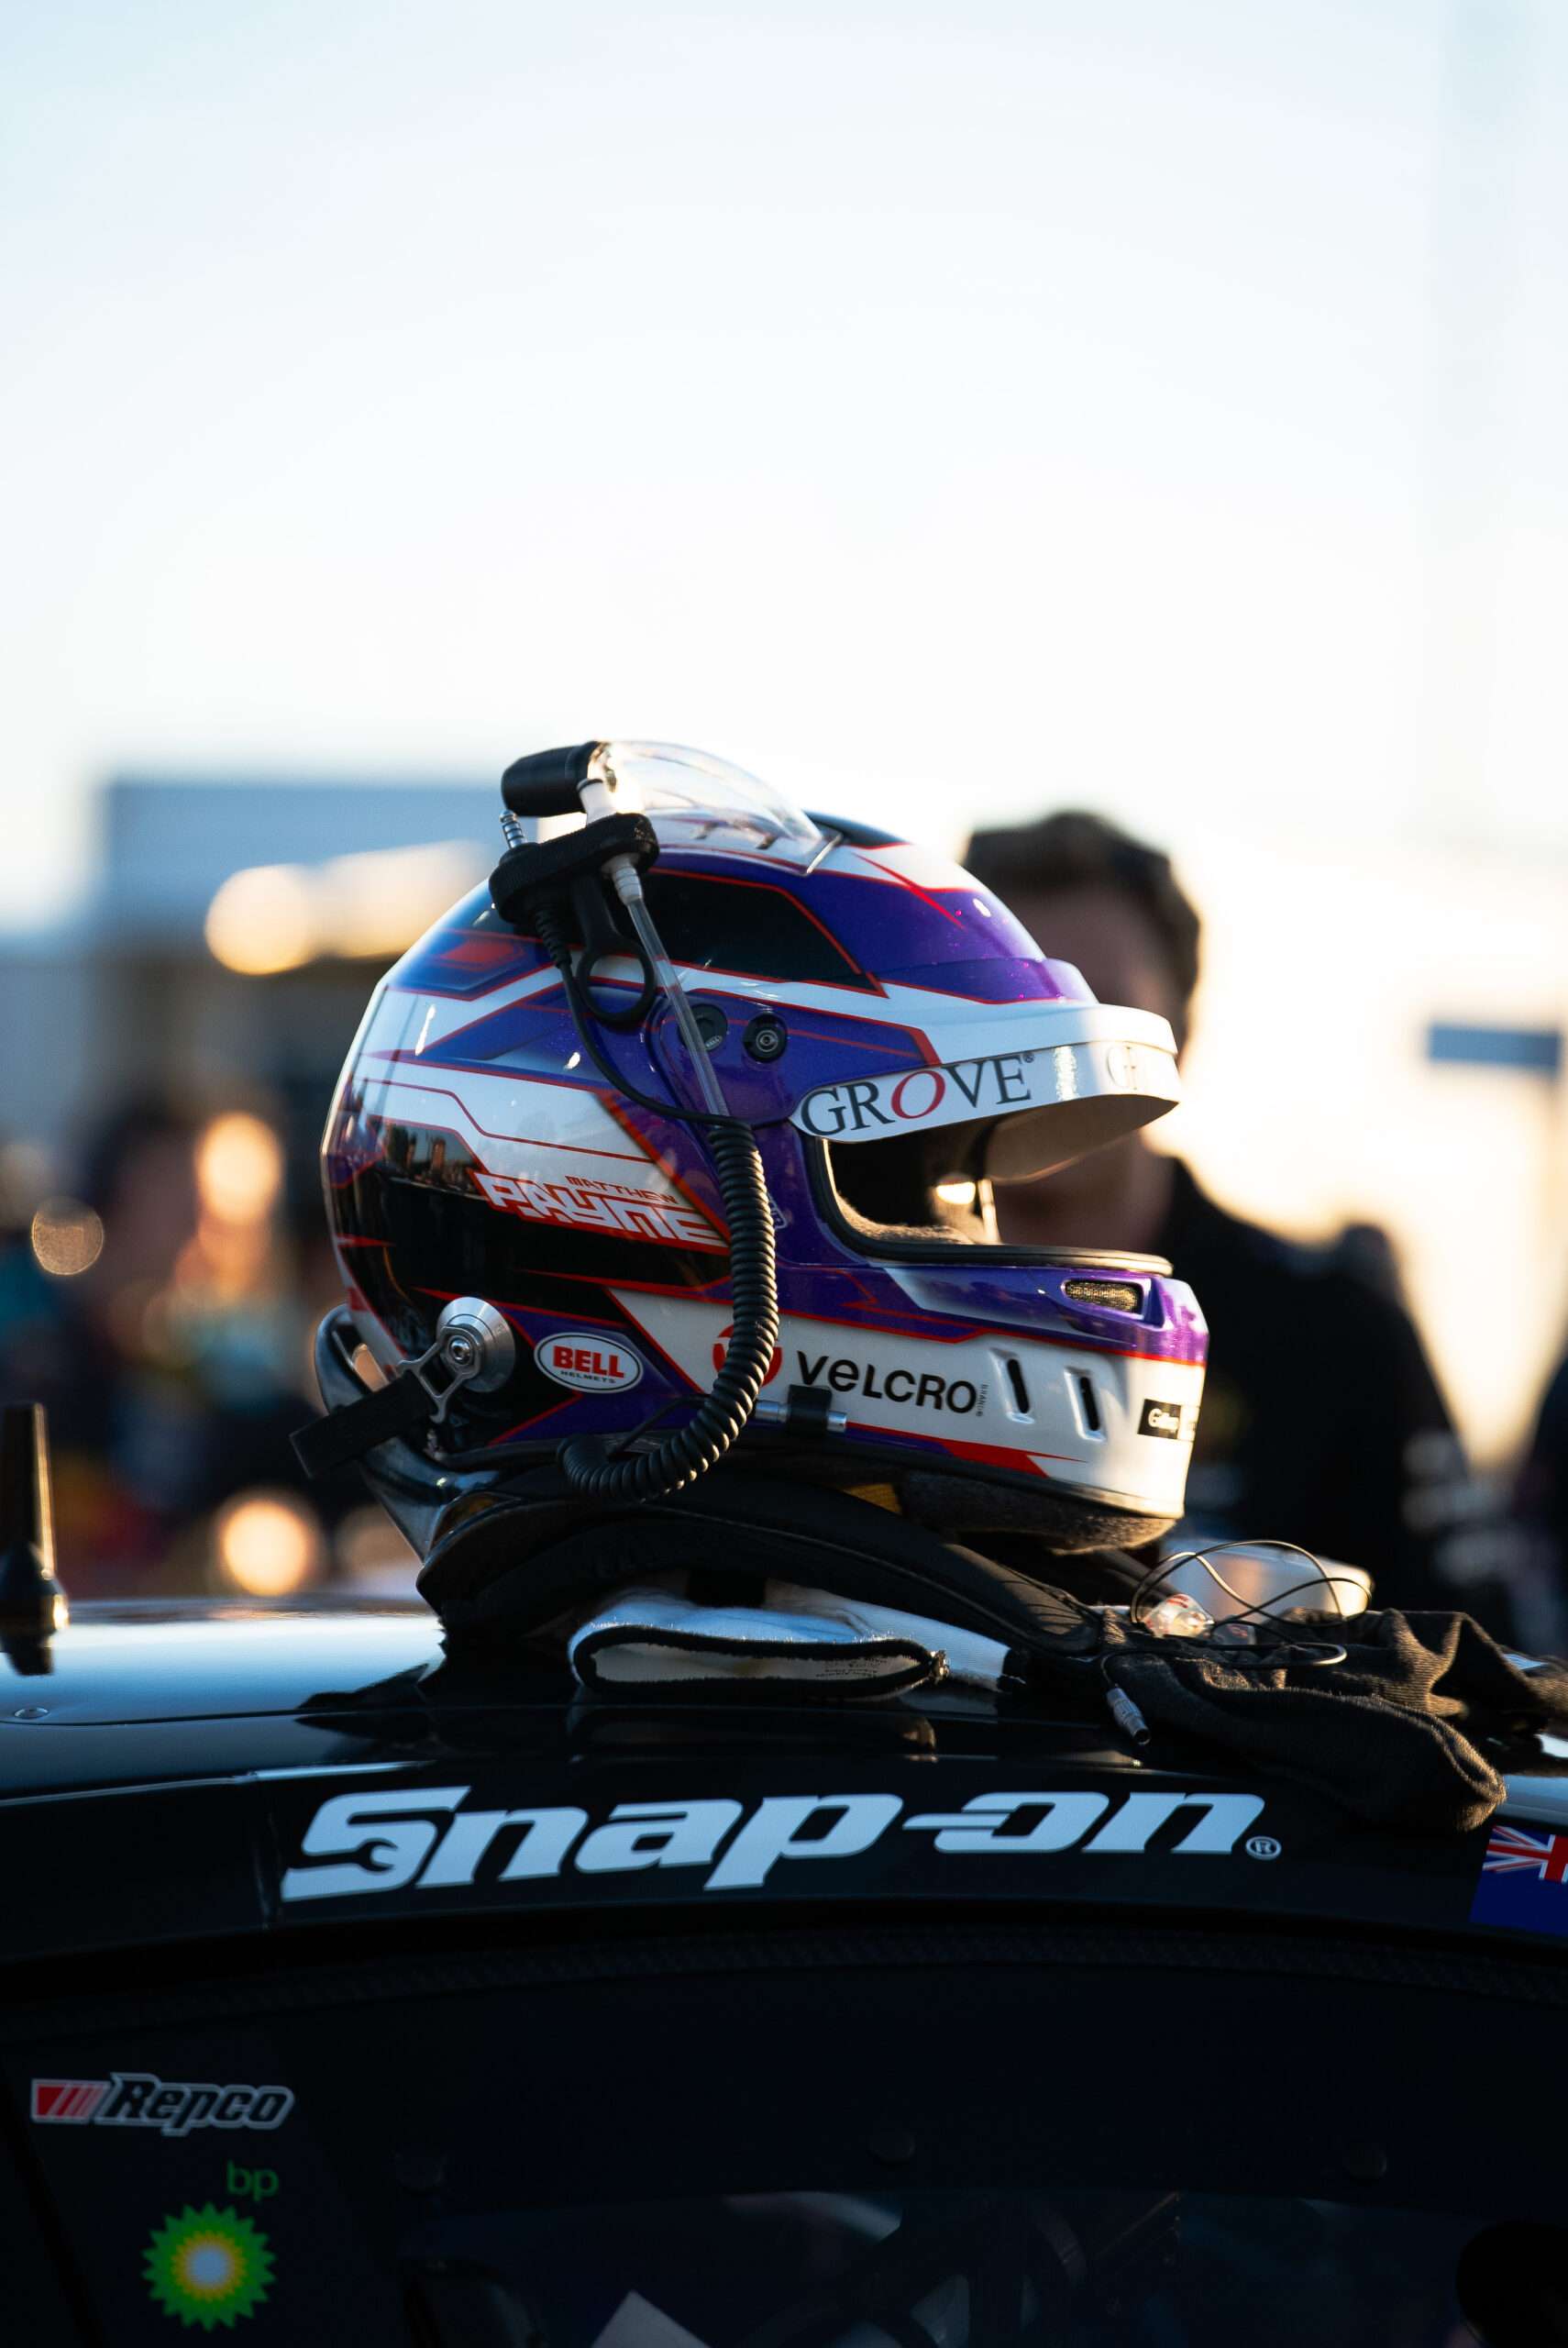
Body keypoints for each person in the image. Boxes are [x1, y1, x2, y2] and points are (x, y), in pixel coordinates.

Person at [962, 809, 1525, 1627]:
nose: (1053, 1053)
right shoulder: (833, 1305)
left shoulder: (1340, 1332)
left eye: (1101, 1009)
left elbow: (1478, 1656)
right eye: (1007, 1004)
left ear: (1180, 1037)